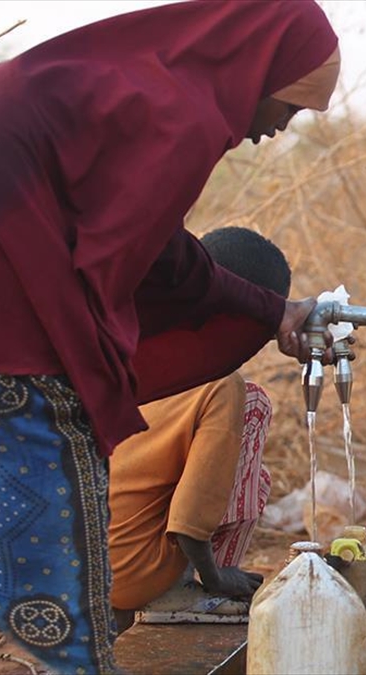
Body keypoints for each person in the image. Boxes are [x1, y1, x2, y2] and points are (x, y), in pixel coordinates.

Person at [0, 3, 341, 672]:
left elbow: (164, 252)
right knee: (62, 533)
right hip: (0, 283)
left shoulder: (141, 85)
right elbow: (119, 263)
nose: (278, 129)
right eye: (288, 109)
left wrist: (267, 308)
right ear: (259, 70)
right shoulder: (184, 120)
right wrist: (97, 384)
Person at [108, 227, 293, 632]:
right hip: (134, 571)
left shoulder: (131, 345)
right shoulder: (219, 385)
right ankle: (189, 592)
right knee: (255, 409)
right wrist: (215, 575)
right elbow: (193, 511)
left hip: (76, 563)